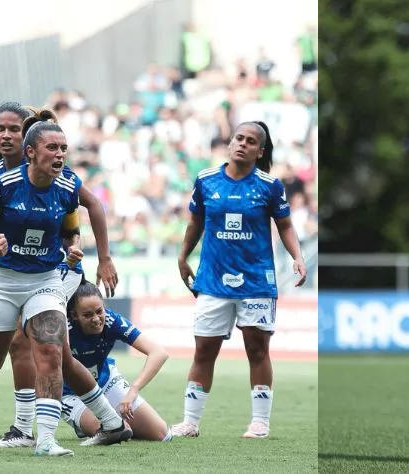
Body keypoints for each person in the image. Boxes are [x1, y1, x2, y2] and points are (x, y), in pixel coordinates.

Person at [0, 110, 130, 457]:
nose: (60, 154)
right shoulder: (2, 183)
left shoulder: (68, 187)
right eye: (53, 147)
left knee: (50, 353)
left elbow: (68, 231)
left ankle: (46, 439)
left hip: (46, 280)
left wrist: (75, 250)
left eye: (64, 148)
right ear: (31, 151)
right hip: (1, 280)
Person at [171, 121, 307, 439]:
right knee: (203, 351)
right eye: (239, 138)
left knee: (257, 351)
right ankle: (190, 422)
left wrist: (297, 256)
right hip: (213, 279)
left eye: (250, 141)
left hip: (257, 280)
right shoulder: (206, 180)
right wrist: (183, 256)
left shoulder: (269, 185)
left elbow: (285, 225)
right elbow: (195, 223)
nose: (242, 144)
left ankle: (260, 422)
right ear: (231, 143)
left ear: (260, 151)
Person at [61, 280, 172, 441]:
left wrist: (133, 391)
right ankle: (87, 422)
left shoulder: (113, 321)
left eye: (99, 311)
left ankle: (118, 421)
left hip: (105, 382)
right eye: (87, 315)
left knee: (161, 434)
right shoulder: (64, 328)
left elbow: (158, 353)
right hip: (71, 393)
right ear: (74, 315)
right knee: (119, 432)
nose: (96, 319)